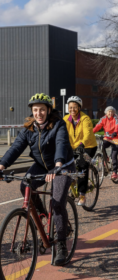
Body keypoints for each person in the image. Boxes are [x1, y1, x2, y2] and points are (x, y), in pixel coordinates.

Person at [0, 93, 75, 266]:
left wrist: (58, 165)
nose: (38, 113)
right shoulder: (29, 128)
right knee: (25, 184)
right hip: (42, 165)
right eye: (35, 110)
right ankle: (42, 213)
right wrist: (2, 166)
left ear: (48, 110)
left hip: (63, 165)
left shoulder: (58, 124)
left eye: (42, 109)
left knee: (57, 203)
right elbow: (16, 147)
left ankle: (62, 245)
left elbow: (62, 144)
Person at [64, 96, 98, 206]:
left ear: (79, 108)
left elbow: (88, 133)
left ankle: (82, 194)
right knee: (64, 163)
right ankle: (73, 179)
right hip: (73, 147)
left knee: (82, 164)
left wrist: (82, 144)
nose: (72, 110)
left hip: (88, 146)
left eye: (74, 107)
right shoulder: (65, 119)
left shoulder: (85, 119)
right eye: (70, 107)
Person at [93, 106, 118, 180]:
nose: (110, 113)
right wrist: (91, 132)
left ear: (114, 112)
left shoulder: (116, 118)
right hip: (108, 137)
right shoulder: (103, 118)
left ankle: (115, 172)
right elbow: (98, 126)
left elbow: (117, 126)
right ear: (106, 112)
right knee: (101, 145)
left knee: (114, 155)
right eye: (108, 111)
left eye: (111, 111)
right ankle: (105, 158)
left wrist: (115, 132)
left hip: (116, 138)